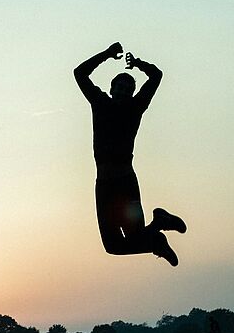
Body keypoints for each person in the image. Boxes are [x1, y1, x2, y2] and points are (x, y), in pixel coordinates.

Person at [74, 42, 186, 266]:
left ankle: (157, 232)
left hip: (125, 183)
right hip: (104, 185)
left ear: (132, 93)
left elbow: (156, 75)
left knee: (133, 236)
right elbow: (80, 73)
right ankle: (157, 234)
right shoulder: (100, 102)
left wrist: (137, 64)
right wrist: (106, 54)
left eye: (128, 89)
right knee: (113, 247)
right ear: (112, 89)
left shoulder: (135, 107)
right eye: (120, 87)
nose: (123, 91)